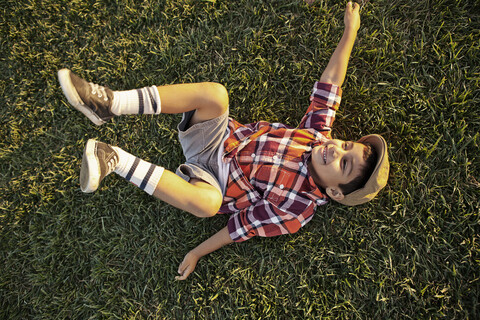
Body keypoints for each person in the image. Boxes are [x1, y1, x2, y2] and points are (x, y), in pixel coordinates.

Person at [58, 2, 389, 281]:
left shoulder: (297, 210)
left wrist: (197, 252)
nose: (337, 148)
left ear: (333, 191)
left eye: (343, 163)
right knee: (216, 95)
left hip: (209, 181)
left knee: (208, 206)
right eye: (347, 145)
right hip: (216, 138)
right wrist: (351, 32)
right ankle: (110, 104)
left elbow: (242, 227)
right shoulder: (317, 134)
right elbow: (330, 86)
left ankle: (113, 158)